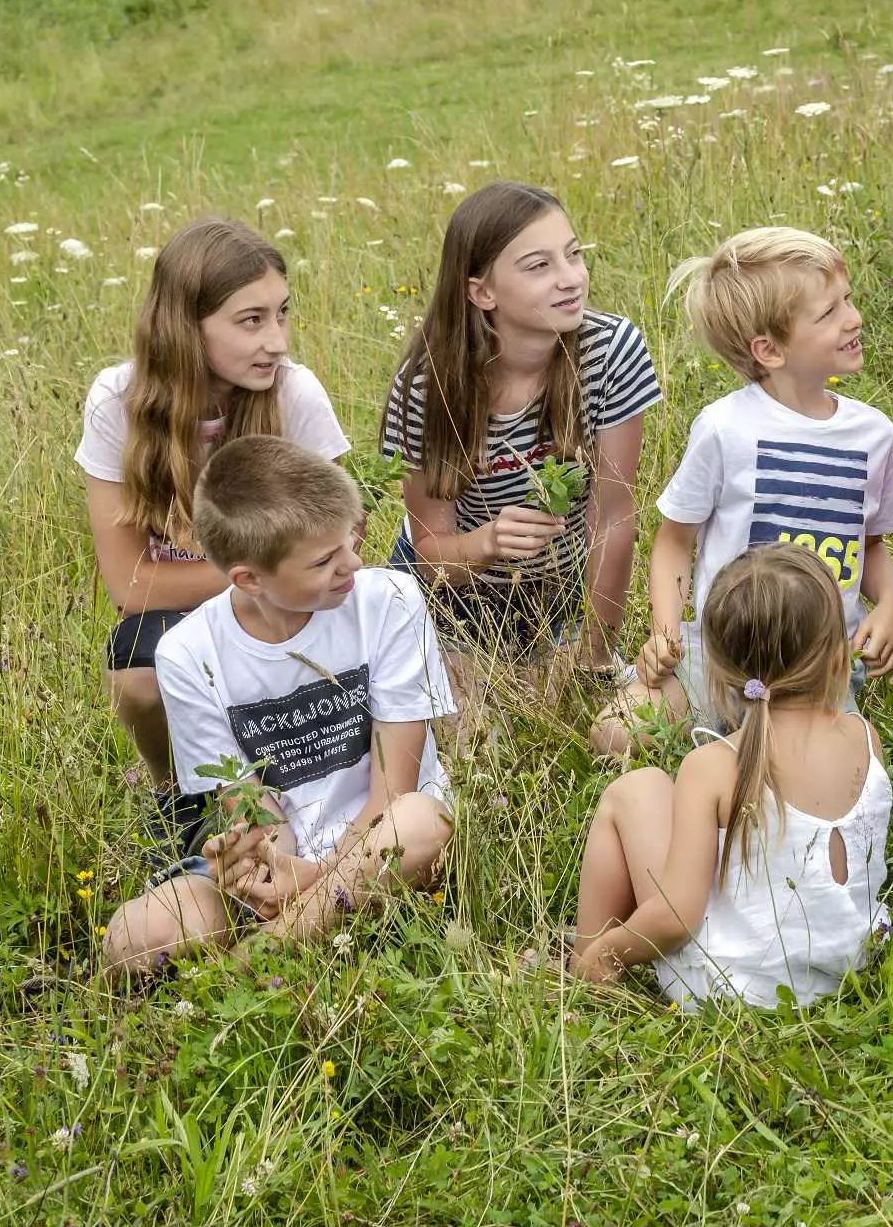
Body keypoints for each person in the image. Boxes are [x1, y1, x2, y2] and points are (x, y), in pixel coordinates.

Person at [96, 437, 454, 980]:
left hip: (384, 845)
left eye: (349, 542)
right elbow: (254, 806)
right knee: (136, 936)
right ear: (249, 579)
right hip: (289, 859)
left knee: (422, 823)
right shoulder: (189, 653)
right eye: (323, 560)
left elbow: (394, 793)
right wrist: (260, 864)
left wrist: (314, 877)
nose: (352, 565)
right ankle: (276, 943)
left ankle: (247, 968)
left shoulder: (391, 600)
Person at [594, 228, 893, 759]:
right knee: (616, 732)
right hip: (717, 656)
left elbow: (870, 544)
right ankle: (717, 760)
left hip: (818, 668)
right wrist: (665, 634)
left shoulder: (872, 434)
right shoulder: (725, 428)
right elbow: (674, 542)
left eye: (847, 300)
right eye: (828, 312)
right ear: (770, 349)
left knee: (858, 762)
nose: (853, 318)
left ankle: (742, 757)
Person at [76, 217, 353, 799]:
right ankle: (174, 792)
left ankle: (299, 786)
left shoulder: (293, 394)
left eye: (281, 313)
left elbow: (340, 542)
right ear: (185, 330)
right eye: (251, 321)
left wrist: (276, 582)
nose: (276, 340)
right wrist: (255, 575)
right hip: (237, 592)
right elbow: (131, 585)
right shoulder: (117, 403)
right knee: (139, 678)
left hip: (287, 602)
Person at [569, 545, 891, 1009]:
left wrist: (609, 948)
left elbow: (677, 915)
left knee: (634, 790)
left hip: (731, 986)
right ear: (838, 655)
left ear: (720, 674)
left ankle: (587, 964)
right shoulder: (865, 738)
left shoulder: (713, 766)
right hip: (846, 968)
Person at [377, 182, 662, 680]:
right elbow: (430, 555)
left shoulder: (611, 351)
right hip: (454, 595)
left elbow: (612, 519)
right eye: (539, 266)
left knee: (575, 705)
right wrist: (487, 542)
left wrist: (594, 654)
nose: (570, 278)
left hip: (557, 590)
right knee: (468, 730)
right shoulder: (427, 386)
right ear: (481, 292)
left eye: (573, 255)